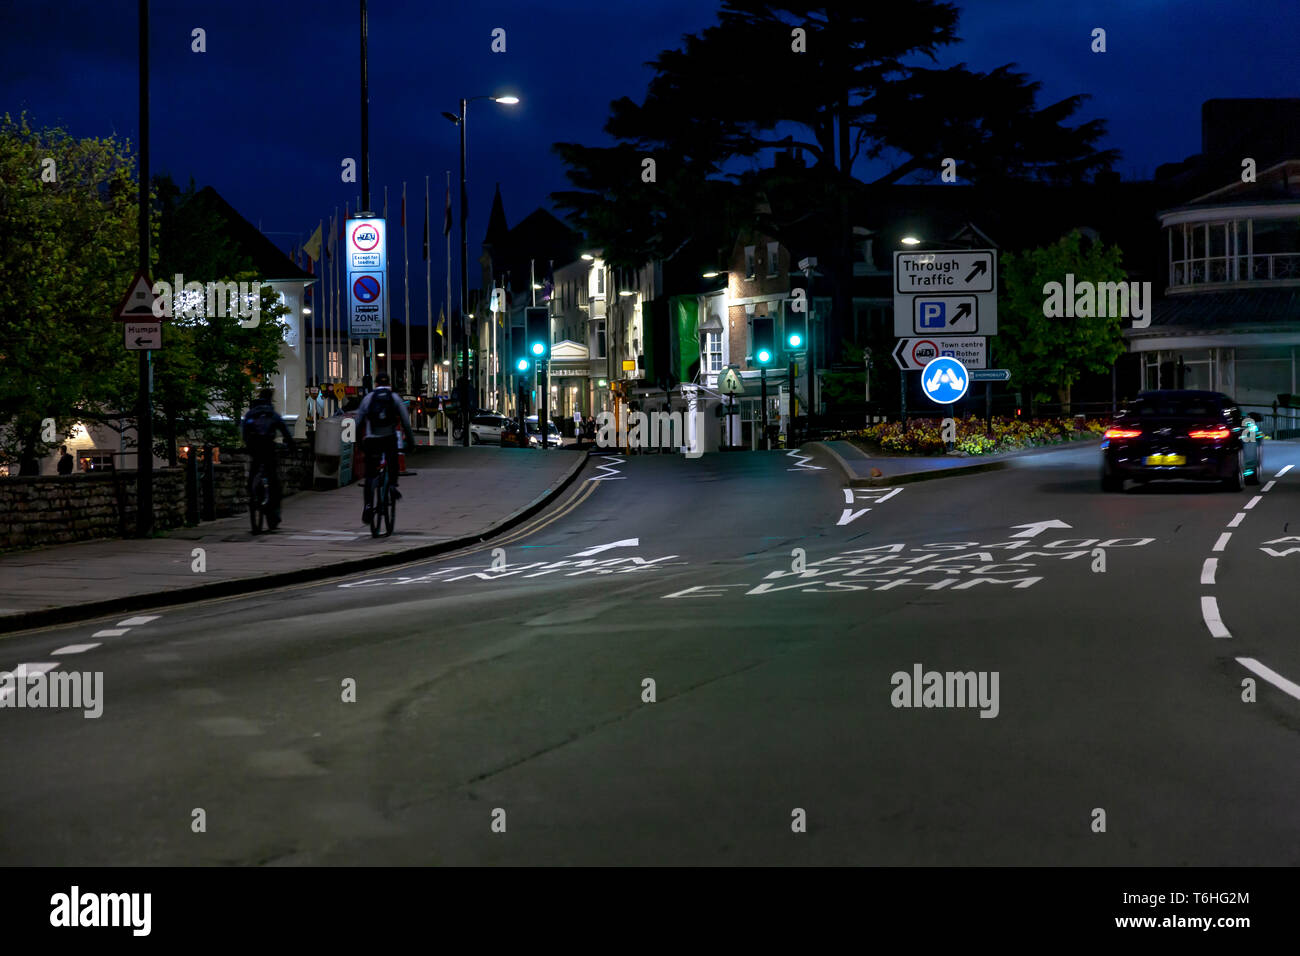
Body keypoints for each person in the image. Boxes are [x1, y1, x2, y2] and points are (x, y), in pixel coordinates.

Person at [357, 372, 414, 525]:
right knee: (393, 460)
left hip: (371, 440)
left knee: (370, 475)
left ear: (375, 384)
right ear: (389, 384)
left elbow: (358, 422)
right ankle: (393, 486)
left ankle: (368, 506)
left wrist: (359, 443)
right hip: (388, 439)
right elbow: (406, 423)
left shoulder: (368, 399)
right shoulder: (394, 398)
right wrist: (411, 442)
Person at [241, 387, 294, 530]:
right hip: (268, 448)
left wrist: (247, 444)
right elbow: (284, 430)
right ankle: (273, 516)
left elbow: (244, 431)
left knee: (253, 474)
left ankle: (252, 495)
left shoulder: (251, 413)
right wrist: (291, 446)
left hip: (255, 449)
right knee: (274, 481)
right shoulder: (272, 413)